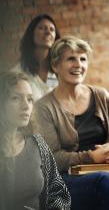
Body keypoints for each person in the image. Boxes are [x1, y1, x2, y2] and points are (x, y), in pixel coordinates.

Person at [33, 36, 109, 210]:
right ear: (55, 66)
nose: (78, 65)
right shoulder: (43, 107)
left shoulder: (101, 95)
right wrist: (90, 157)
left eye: (83, 59)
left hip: (108, 171)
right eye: (71, 59)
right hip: (65, 182)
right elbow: (52, 158)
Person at [0, 71, 70, 210]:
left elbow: (59, 191)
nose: (26, 106)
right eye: (15, 98)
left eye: (30, 99)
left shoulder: (37, 143)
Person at [15, 14, 61, 101]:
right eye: (42, 28)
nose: (48, 32)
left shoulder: (59, 70)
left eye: (52, 29)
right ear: (31, 34)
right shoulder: (18, 73)